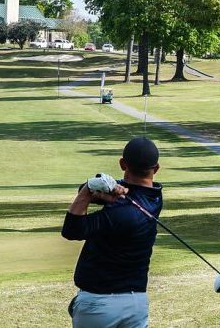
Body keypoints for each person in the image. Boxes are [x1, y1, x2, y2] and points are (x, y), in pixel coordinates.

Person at [62, 136, 163, 328]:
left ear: (122, 164)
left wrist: (89, 189)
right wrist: (101, 188)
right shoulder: (155, 196)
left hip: (99, 305)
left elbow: (72, 229)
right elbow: (125, 192)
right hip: (137, 305)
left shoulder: (119, 212)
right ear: (156, 169)